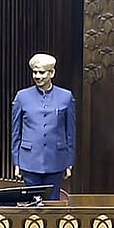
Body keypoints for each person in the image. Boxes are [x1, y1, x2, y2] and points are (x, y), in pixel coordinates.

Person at [11, 53, 76, 199]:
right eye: (35, 72)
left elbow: (70, 132)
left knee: (52, 205)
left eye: (41, 72)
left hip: (56, 159)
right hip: (29, 160)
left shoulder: (66, 97)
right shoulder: (22, 97)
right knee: (32, 205)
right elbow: (16, 132)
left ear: (52, 73)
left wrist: (69, 162)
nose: (37, 76)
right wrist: (16, 161)